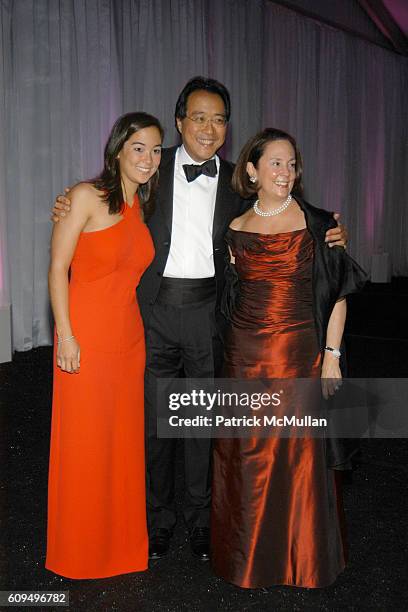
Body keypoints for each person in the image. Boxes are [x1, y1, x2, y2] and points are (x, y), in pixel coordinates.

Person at [51, 77, 347, 562]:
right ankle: (157, 516)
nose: (209, 128)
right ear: (180, 121)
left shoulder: (236, 181)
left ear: (228, 128)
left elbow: (282, 207)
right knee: (152, 419)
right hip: (149, 312)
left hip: (210, 312)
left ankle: (200, 514)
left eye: (219, 119)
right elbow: (101, 199)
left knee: (200, 417)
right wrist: (65, 203)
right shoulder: (149, 166)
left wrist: (332, 230)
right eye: (199, 117)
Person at [210, 128, 366, 588]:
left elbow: (338, 293)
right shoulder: (235, 228)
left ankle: (302, 557)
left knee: (297, 456)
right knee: (248, 456)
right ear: (252, 170)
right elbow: (229, 294)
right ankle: (249, 557)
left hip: (299, 353)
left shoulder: (319, 223)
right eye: (275, 162)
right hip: (243, 356)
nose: (285, 171)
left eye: (291, 163)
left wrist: (332, 356)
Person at [47, 112, 163, 579]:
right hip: (86, 340)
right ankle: (78, 553)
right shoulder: (84, 197)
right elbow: (57, 268)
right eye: (138, 147)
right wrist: (66, 336)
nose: (148, 158)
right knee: (84, 447)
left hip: (128, 342)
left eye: (156, 150)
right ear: (117, 149)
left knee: (120, 448)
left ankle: (119, 550)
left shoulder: (141, 206)